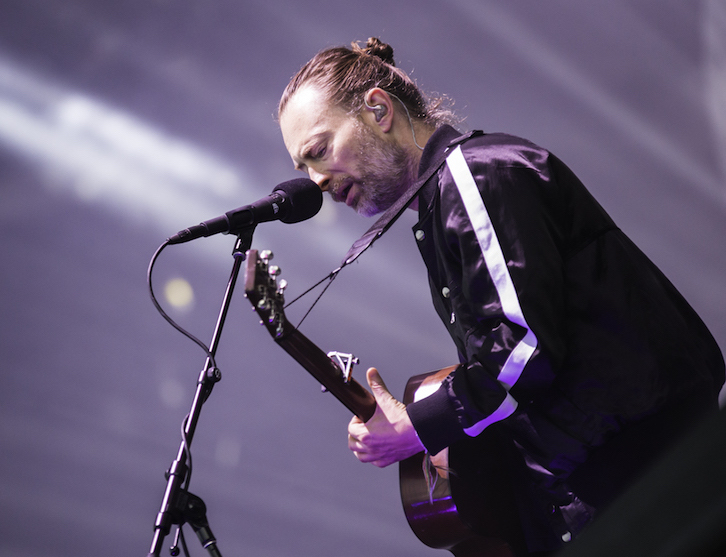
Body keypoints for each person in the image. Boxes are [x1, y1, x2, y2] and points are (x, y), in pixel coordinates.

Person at [277, 37, 724, 555]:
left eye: (319, 151)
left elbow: (524, 350)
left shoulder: (473, 175)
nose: (316, 180)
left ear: (378, 110)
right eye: (303, 168)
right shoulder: (444, 198)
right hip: (619, 484)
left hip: (651, 479)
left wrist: (416, 426)